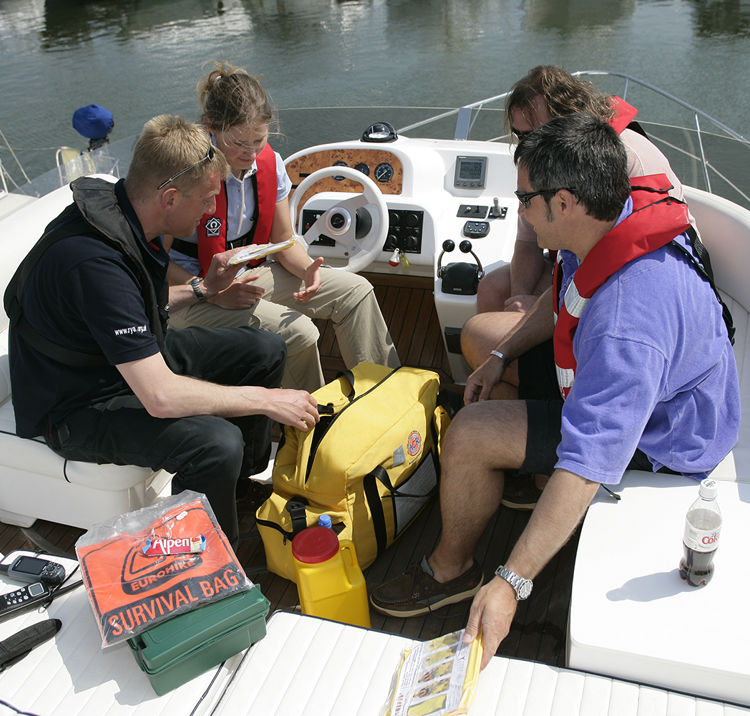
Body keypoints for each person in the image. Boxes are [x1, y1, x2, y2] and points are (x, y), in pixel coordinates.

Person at [369, 114, 740, 670]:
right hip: (632, 383)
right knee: (482, 364)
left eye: (524, 199)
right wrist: (500, 356)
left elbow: (591, 460)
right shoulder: (608, 217)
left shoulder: (626, 322)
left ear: (562, 202)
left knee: (469, 432)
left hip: (666, 440)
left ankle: (453, 571)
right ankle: (523, 485)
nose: (518, 211)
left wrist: (510, 583)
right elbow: (569, 289)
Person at [4, 114, 320, 548]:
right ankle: (210, 559)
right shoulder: (95, 262)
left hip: (119, 360)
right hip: (75, 402)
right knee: (215, 442)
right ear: (170, 198)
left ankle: (237, 494)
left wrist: (203, 288)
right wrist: (266, 400)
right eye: (207, 200)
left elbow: (131, 310)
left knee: (263, 349)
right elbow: (161, 396)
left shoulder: (126, 210)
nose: (212, 211)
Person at [461, 65, 694, 508]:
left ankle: (530, 456)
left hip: (605, 316)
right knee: (494, 292)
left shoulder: (610, 165)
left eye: (534, 132)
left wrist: (516, 578)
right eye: (518, 134)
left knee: (478, 335)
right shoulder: (546, 168)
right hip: (579, 289)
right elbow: (531, 244)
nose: (525, 144)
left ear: (570, 118)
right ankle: (519, 458)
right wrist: (520, 300)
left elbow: (608, 276)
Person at [166, 62, 399, 392]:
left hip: (249, 274)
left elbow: (284, 239)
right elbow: (154, 259)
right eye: (237, 143)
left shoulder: (270, 163)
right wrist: (210, 291)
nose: (249, 153)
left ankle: (385, 400)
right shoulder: (184, 170)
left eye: (258, 141)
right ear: (210, 128)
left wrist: (307, 270)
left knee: (356, 292)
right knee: (300, 332)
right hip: (191, 293)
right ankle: (309, 430)